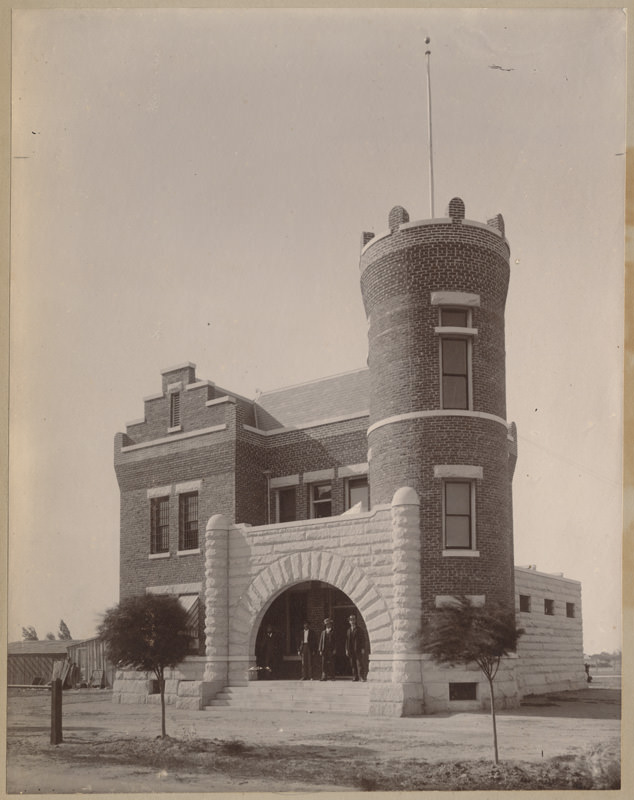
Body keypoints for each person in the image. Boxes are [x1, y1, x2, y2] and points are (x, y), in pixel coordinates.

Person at [345, 614, 367, 681]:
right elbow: (347, 641)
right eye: (350, 620)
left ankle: (362, 677)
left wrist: (363, 648)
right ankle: (355, 677)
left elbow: (363, 639)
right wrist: (346, 649)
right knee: (353, 664)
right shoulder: (348, 630)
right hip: (351, 650)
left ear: (355, 621)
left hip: (358, 649)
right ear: (349, 621)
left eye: (353, 620)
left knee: (359, 663)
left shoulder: (359, 629)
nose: (352, 621)